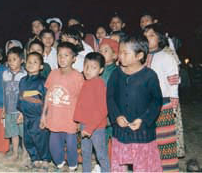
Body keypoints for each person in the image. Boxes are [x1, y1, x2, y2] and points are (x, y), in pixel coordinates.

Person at [107, 35, 163, 172]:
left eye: (125, 53)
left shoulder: (149, 76)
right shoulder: (116, 74)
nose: (120, 56)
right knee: (119, 164)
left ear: (139, 55)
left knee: (143, 165)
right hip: (121, 129)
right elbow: (110, 97)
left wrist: (143, 119)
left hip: (142, 131)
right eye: (120, 52)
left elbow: (157, 100)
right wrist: (117, 116)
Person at [40, 42, 84, 171]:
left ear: (74, 59)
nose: (62, 58)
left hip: (70, 120)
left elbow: (81, 100)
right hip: (54, 118)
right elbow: (48, 94)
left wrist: (80, 120)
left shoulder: (78, 76)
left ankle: (72, 167)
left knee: (71, 145)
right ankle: (59, 164)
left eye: (66, 55)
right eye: (59, 55)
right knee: (54, 145)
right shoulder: (53, 74)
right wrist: (44, 115)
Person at [144, 23, 182, 171]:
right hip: (144, 106)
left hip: (163, 105)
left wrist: (173, 102)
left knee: (165, 141)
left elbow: (173, 81)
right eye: (145, 36)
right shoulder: (140, 58)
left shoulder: (166, 57)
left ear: (160, 38)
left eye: (151, 35)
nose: (148, 39)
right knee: (148, 141)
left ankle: (169, 169)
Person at [74, 52, 110, 173]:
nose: (88, 70)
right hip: (85, 124)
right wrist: (78, 121)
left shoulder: (99, 84)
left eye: (93, 67)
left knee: (101, 154)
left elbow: (102, 109)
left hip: (96, 127)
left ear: (100, 70)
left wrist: (90, 128)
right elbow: (82, 105)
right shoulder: (86, 82)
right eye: (86, 66)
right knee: (85, 153)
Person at [17, 52, 51, 169]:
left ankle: (45, 159)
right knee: (28, 139)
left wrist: (45, 116)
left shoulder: (43, 81)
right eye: (29, 62)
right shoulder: (22, 81)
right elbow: (20, 98)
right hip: (26, 116)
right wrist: (21, 112)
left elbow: (47, 100)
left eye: (35, 62)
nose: (31, 64)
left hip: (38, 117)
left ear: (41, 66)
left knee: (41, 139)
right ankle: (35, 158)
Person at [2, 47, 27, 161]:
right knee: (13, 133)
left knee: (23, 133)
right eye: (9, 60)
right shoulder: (5, 74)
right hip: (9, 109)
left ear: (22, 60)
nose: (11, 62)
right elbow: (4, 92)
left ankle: (25, 154)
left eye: (14, 59)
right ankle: (15, 153)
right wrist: (3, 108)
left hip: (20, 110)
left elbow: (25, 95)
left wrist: (23, 112)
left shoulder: (25, 75)